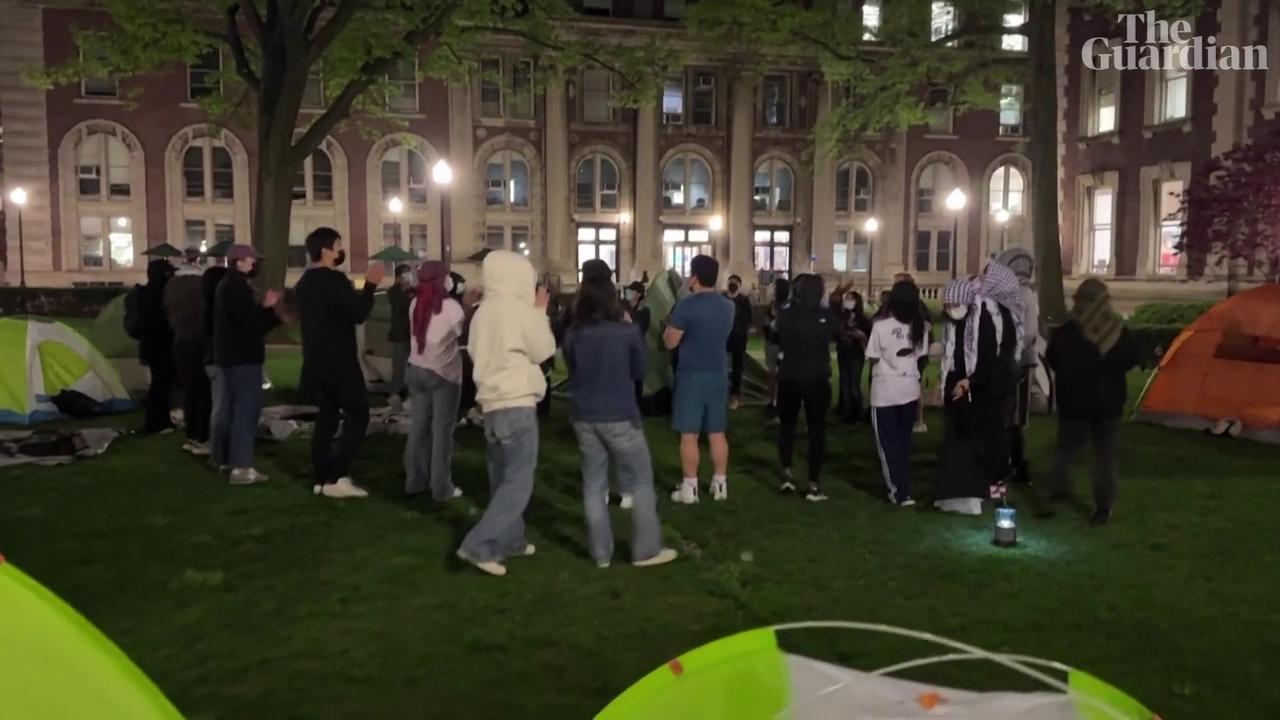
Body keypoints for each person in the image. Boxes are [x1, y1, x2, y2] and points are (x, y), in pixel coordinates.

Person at [564, 277, 678, 569]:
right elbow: (640, 369)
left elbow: (573, 369)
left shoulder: (574, 333)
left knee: (593, 484)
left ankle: (601, 554)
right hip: (619, 414)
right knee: (641, 481)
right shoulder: (625, 332)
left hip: (584, 415)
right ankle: (646, 550)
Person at [457, 250, 556, 577]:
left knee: (502, 479)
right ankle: (478, 544)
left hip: (492, 405)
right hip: (517, 403)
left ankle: (511, 540)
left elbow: (473, 351)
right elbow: (543, 349)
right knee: (517, 483)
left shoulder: (482, 312)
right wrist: (540, 313)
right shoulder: (518, 310)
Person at [294, 227, 385, 499]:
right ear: (326, 251)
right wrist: (370, 285)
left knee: (327, 419)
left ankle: (322, 478)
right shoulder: (334, 280)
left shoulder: (303, 283)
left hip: (315, 361)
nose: (340, 251)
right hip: (339, 361)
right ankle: (337, 475)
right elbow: (358, 313)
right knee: (359, 413)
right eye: (338, 246)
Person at [1044, 279, 1142, 526]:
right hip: (1108, 404)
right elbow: (1132, 358)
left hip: (1074, 403)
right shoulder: (1117, 332)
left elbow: (1053, 358)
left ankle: (1059, 489)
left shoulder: (1068, 332)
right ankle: (1103, 507)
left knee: (1065, 450)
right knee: (1105, 457)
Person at [934, 273, 1018, 514]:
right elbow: (952, 356)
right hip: (964, 386)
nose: (952, 309)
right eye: (948, 305)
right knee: (963, 438)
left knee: (992, 437)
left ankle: (996, 486)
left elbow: (989, 360)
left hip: (990, 386)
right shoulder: (954, 322)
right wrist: (947, 384)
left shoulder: (986, 321)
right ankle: (972, 486)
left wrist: (969, 381)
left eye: (955, 305)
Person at [664, 254, 735, 503]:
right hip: (717, 373)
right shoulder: (728, 306)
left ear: (694, 276)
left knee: (689, 433)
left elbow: (671, 342)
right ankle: (720, 484)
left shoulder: (686, 305)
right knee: (717, 432)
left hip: (692, 374)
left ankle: (690, 486)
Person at [210, 245, 281, 485]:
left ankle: (223, 459)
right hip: (243, 359)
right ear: (239, 262)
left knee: (228, 410)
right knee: (245, 412)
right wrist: (269, 309)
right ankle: (241, 467)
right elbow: (250, 325)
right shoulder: (237, 287)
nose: (255, 265)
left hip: (228, 358)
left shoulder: (226, 285)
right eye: (253, 260)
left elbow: (239, 321)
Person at [403, 261, 467, 502]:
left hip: (416, 370)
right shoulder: (451, 307)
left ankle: (415, 481)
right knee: (442, 432)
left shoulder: (414, 303)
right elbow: (462, 333)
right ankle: (441, 488)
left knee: (418, 428)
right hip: (444, 375)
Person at [775, 274, 840, 501]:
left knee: (787, 426)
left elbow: (775, 336)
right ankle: (813, 484)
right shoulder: (825, 316)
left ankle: (787, 474)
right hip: (816, 377)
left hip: (790, 376)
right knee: (816, 430)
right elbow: (839, 334)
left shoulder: (786, 313)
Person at [867, 280, 929, 507]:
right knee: (902, 442)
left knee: (887, 445)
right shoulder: (921, 326)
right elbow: (919, 354)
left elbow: (873, 356)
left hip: (885, 392)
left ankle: (898, 491)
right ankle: (903, 487)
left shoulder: (881, 327)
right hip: (909, 389)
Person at [996, 247, 1040, 486]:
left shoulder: (1023, 295)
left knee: (1013, 419)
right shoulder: (1016, 294)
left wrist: (1008, 349)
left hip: (1019, 364)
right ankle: (1011, 464)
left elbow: (1029, 333)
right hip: (1011, 363)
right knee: (1008, 417)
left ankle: (1018, 467)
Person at [164, 249, 211, 455]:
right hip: (199, 341)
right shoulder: (200, 285)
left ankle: (192, 436)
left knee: (190, 390)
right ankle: (203, 436)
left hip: (180, 340)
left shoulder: (172, 285)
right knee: (203, 390)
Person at [138, 258, 176, 434]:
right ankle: (157, 422)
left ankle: (160, 419)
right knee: (161, 385)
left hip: (151, 345)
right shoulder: (159, 293)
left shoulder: (146, 293)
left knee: (160, 383)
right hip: (161, 345)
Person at [200, 265, 228, 469]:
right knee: (221, 409)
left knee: (219, 407)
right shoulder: (215, 311)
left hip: (212, 361)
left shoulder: (206, 307)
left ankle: (219, 451)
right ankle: (218, 455)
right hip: (219, 362)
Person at [833, 287, 871, 424]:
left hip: (856, 355)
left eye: (850, 299)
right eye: (846, 299)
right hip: (843, 353)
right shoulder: (842, 317)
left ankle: (857, 414)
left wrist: (860, 336)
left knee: (854, 386)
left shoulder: (863, 320)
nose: (847, 301)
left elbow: (868, 338)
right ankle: (846, 414)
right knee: (845, 384)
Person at [386, 263, 414, 412]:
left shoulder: (412, 291)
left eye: (409, 273)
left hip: (412, 335)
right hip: (400, 335)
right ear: (398, 277)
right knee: (399, 367)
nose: (408, 276)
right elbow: (405, 306)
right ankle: (394, 395)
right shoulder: (394, 292)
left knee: (412, 368)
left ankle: (409, 395)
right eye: (405, 274)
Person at [762, 277, 790, 418]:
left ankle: (779, 402)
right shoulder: (772, 305)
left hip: (782, 345)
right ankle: (771, 401)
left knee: (780, 375)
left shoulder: (788, 306)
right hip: (771, 343)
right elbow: (766, 324)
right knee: (771, 374)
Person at [724, 274, 753, 410]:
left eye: (735, 283)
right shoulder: (722, 298)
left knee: (737, 368)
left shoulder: (744, 301)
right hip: (723, 338)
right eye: (731, 282)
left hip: (739, 339)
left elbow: (748, 319)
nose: (732, 285)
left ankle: (735, 395)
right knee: (720, 366)